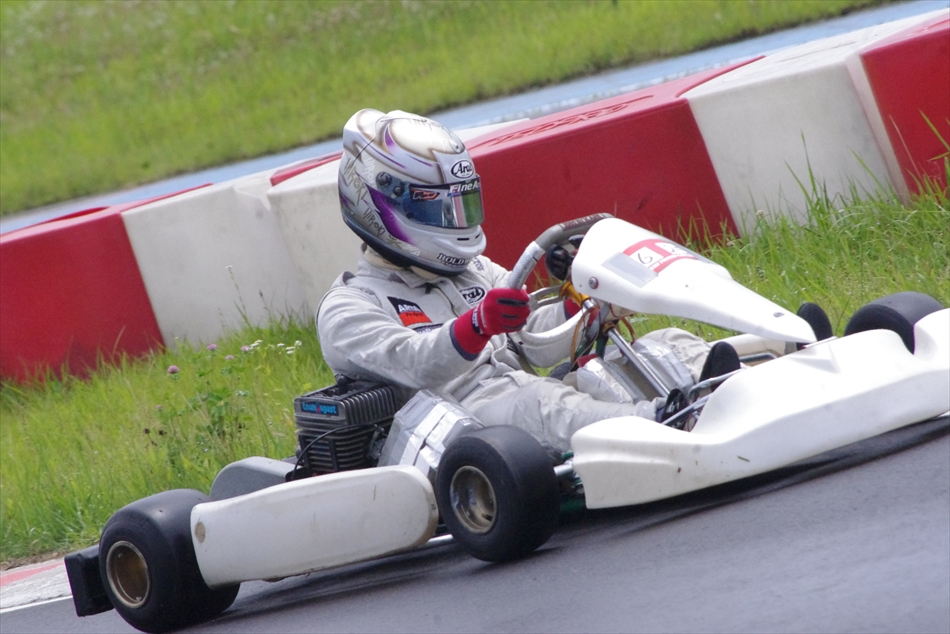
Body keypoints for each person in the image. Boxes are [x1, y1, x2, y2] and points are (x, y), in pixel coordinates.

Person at [316, 109, 735, 454]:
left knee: (657, 344)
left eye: (460, 206)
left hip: (519, 394)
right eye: (440, 210)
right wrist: (476, 325)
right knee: (544, 404)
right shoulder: (351, 305)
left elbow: (535, 339)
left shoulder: (473, 271)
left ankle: (741, 381)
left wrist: (579, 302)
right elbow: (414, 361)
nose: (455, 223)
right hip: (461, 425)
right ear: (379, 203)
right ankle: (670, 420)